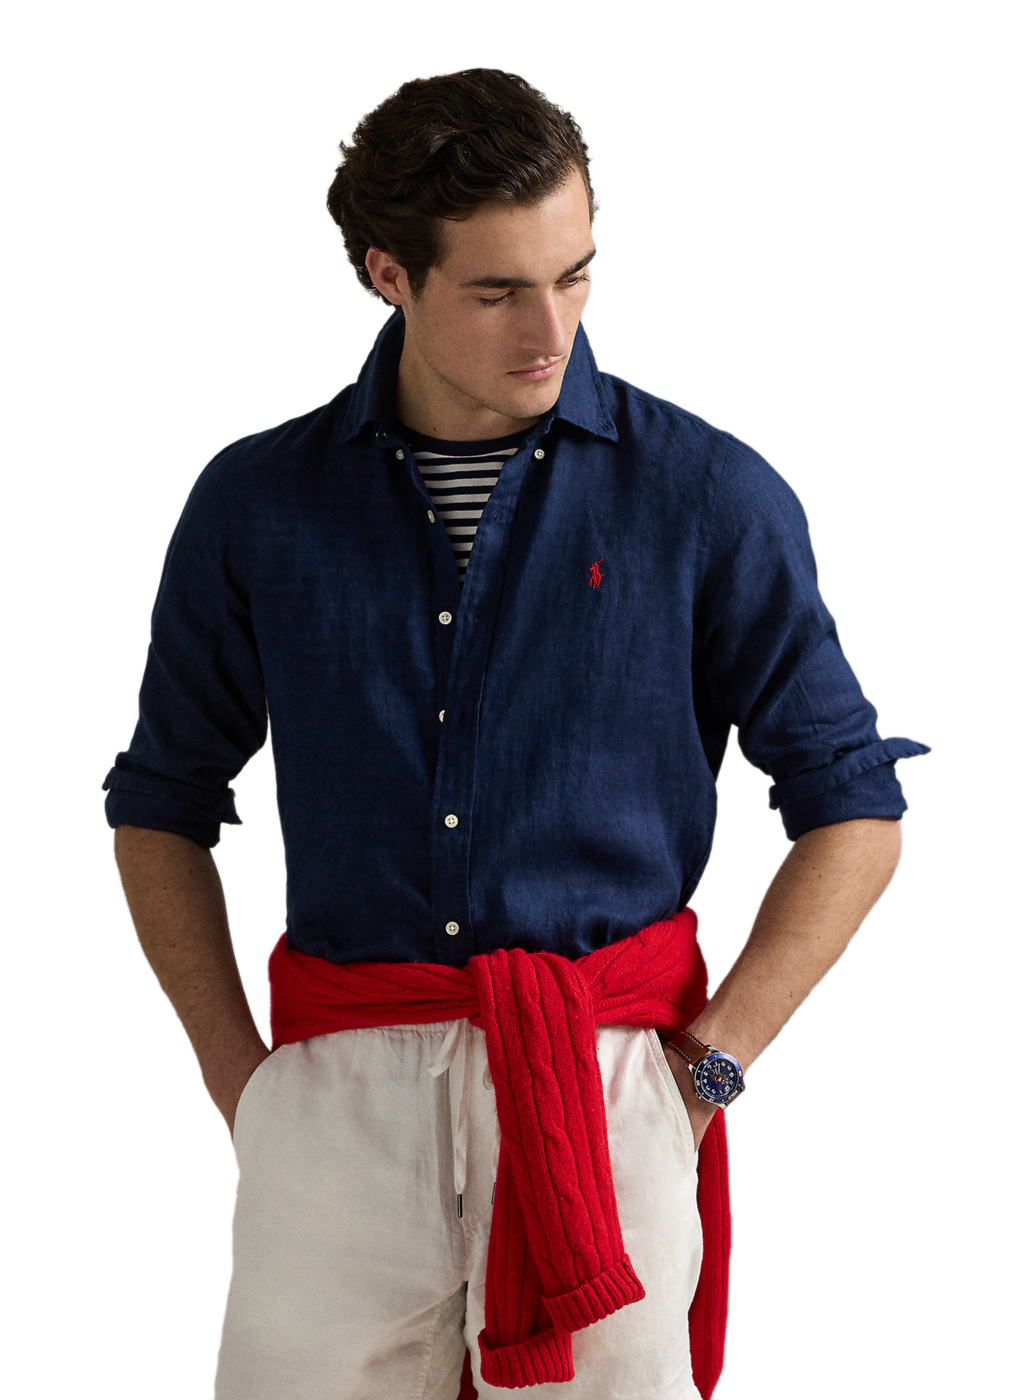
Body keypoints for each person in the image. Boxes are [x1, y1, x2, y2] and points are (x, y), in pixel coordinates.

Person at [102, 65, 931, 1399]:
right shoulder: (255, 501)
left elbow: (852, 804)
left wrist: (710, 1063)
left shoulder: (708, 492)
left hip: (610, 1084)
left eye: (574, 273)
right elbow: (160, 804)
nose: (549, 328)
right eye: (496, 292)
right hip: (334, 1091)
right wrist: (234, 1074)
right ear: (387, 273)